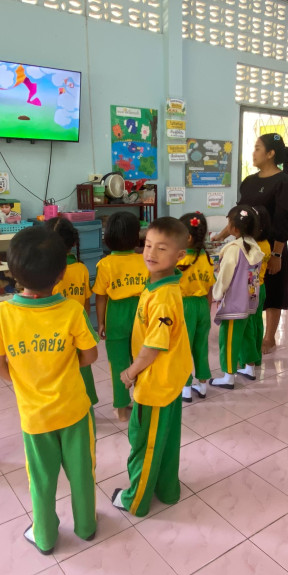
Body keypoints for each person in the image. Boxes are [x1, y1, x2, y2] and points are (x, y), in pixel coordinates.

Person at [0, 227, 100, 554]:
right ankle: (86, 526)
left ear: (12, 272)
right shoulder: (72, 310)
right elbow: (90, 356)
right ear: (61, 274)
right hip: (74, 410)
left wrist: (23, 380)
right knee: (82, 473)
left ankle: (44, 537)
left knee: (41, 480)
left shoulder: (2, 314)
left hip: (35, 417)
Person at [111, 217, 193, 517]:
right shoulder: (160, 286)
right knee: (166, 440)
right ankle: (167, 489)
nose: (151, 253)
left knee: (145, 444)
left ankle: (136, 500)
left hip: (156, 384)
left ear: (179, 255)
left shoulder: (163, 299)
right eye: (147, 245)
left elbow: (154, 346)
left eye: (161, 248)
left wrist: (130, 372)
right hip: (168, 381)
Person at [217, 133, 288, 355]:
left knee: (272, 291)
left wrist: (277, 255)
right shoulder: (249, 181)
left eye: (258, 148)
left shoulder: (283, 182)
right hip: (246, 246)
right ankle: (247, 331)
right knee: (246, 288)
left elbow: (282, 221)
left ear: (270, 154)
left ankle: (269, 338)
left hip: (271, 247)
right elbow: (239, 214)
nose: (253, 153)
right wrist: (222, 235)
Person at [92, 212, 148, 421]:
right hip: (142, 313)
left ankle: (122, 409)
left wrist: (101, 323)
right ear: (136, 236)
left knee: (118, 363)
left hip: (116, 314)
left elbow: (101, 297)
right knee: (141, 360)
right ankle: (142, 402)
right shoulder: (144, 260)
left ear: (108, 237)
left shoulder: (105, 264)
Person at [209, 206, 264, 390]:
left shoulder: (234, 249)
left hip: (234, 304)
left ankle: (228, 376)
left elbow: (225, 276)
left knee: (229, 339)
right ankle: (250, 367)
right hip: (249, 301)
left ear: (234, 228)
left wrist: (217, 294)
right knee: (247, 335)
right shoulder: (254, 246)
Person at [48, 216, 98, 405]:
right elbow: (86, 303)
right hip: (78, 328)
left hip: (55, 331)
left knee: (60, 370)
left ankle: (66, 403)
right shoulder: (81, 268)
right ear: (73, 243)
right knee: (83, 368)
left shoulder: (46, 272)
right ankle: (87, 401)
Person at [177, 212, 215, 402]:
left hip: (185, 306)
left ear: (188, 238)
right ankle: (202, 385)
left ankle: (185, 387)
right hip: (203, 306)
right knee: (201, 346)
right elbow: (210, 288)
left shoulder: (180, 260)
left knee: (183, 347)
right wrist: (207, 308)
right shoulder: (207, 258)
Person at [237, 205, 272, 380]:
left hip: (248, 288)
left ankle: (247, 361)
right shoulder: (265, 244)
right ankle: (256, 358)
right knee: (257, 322)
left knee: (246, 326)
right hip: (260, 287)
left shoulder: (251, 246)